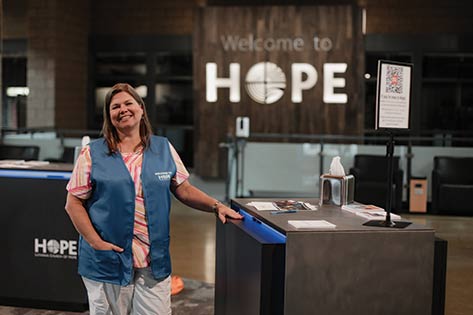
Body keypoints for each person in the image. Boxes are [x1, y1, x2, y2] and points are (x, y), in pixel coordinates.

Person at [65, 83, 243, 315]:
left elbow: (184, 189)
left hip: (153, 260)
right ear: (109, 115)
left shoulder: (163, 148)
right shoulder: (92, 153)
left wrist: (217, 205)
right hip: (108, 258)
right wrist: (96, 243)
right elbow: (73, 203)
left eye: (128, 103)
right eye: (115, 106)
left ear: (140, 109)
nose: (123, 109)